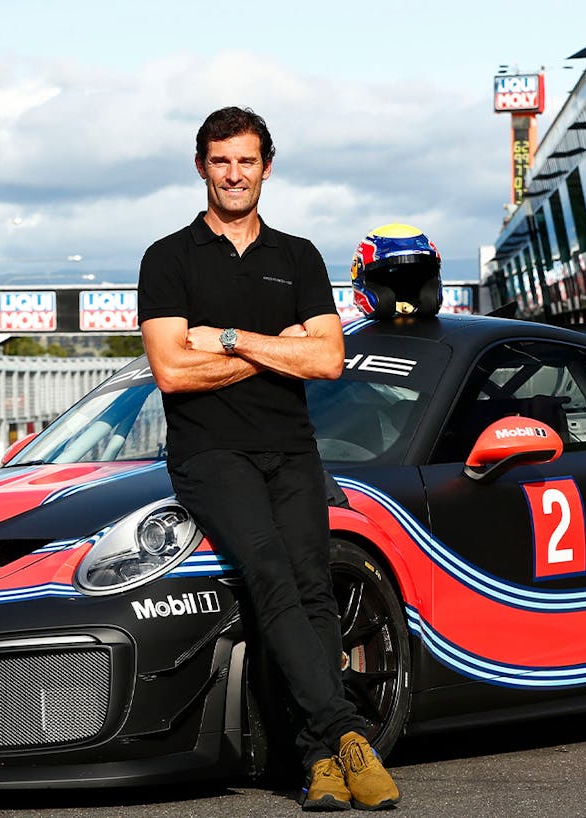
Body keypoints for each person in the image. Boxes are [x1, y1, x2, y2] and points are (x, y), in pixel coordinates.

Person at [138, 106, 401, 812]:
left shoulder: (299, 256)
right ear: (202, 167)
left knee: (314, 588)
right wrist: (272, 347)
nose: (234, 174)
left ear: (267, 167)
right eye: (221, 161)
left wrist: (224, 339)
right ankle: (346, 734)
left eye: (246, 161)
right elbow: (172, 373)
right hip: (210, 454)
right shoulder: (169, 258)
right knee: (270, 574)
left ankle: (316, 760)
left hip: (291, 451)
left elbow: (330, 357)